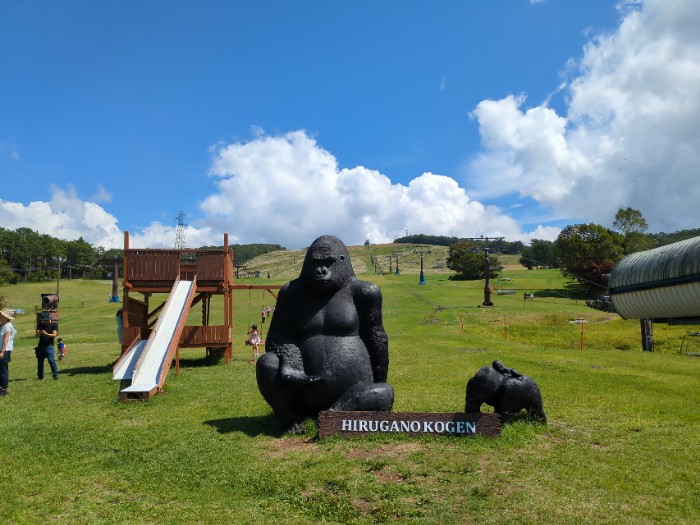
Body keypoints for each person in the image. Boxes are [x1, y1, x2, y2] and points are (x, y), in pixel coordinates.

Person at [35, 312, 59, 380]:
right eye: (42, 320)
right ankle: (40, 376)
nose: (43, 321)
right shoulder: (40, 324)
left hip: (49, 346)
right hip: (41, 346)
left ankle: (55, 375)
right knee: (40, 362)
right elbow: (36, 336)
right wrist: (39, 333)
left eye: (44, 320)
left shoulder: (54, 324)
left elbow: (54, 335)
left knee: (51, 360)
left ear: (48, 319)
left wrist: (46, 334)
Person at [0, 309, 17, 397]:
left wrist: (2, 351)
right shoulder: (3, 325)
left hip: (4, 350)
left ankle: (4, 389)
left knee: (3, 369)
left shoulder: (7, 326)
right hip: (2, 350)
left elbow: (6, 339)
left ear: (4, 317)